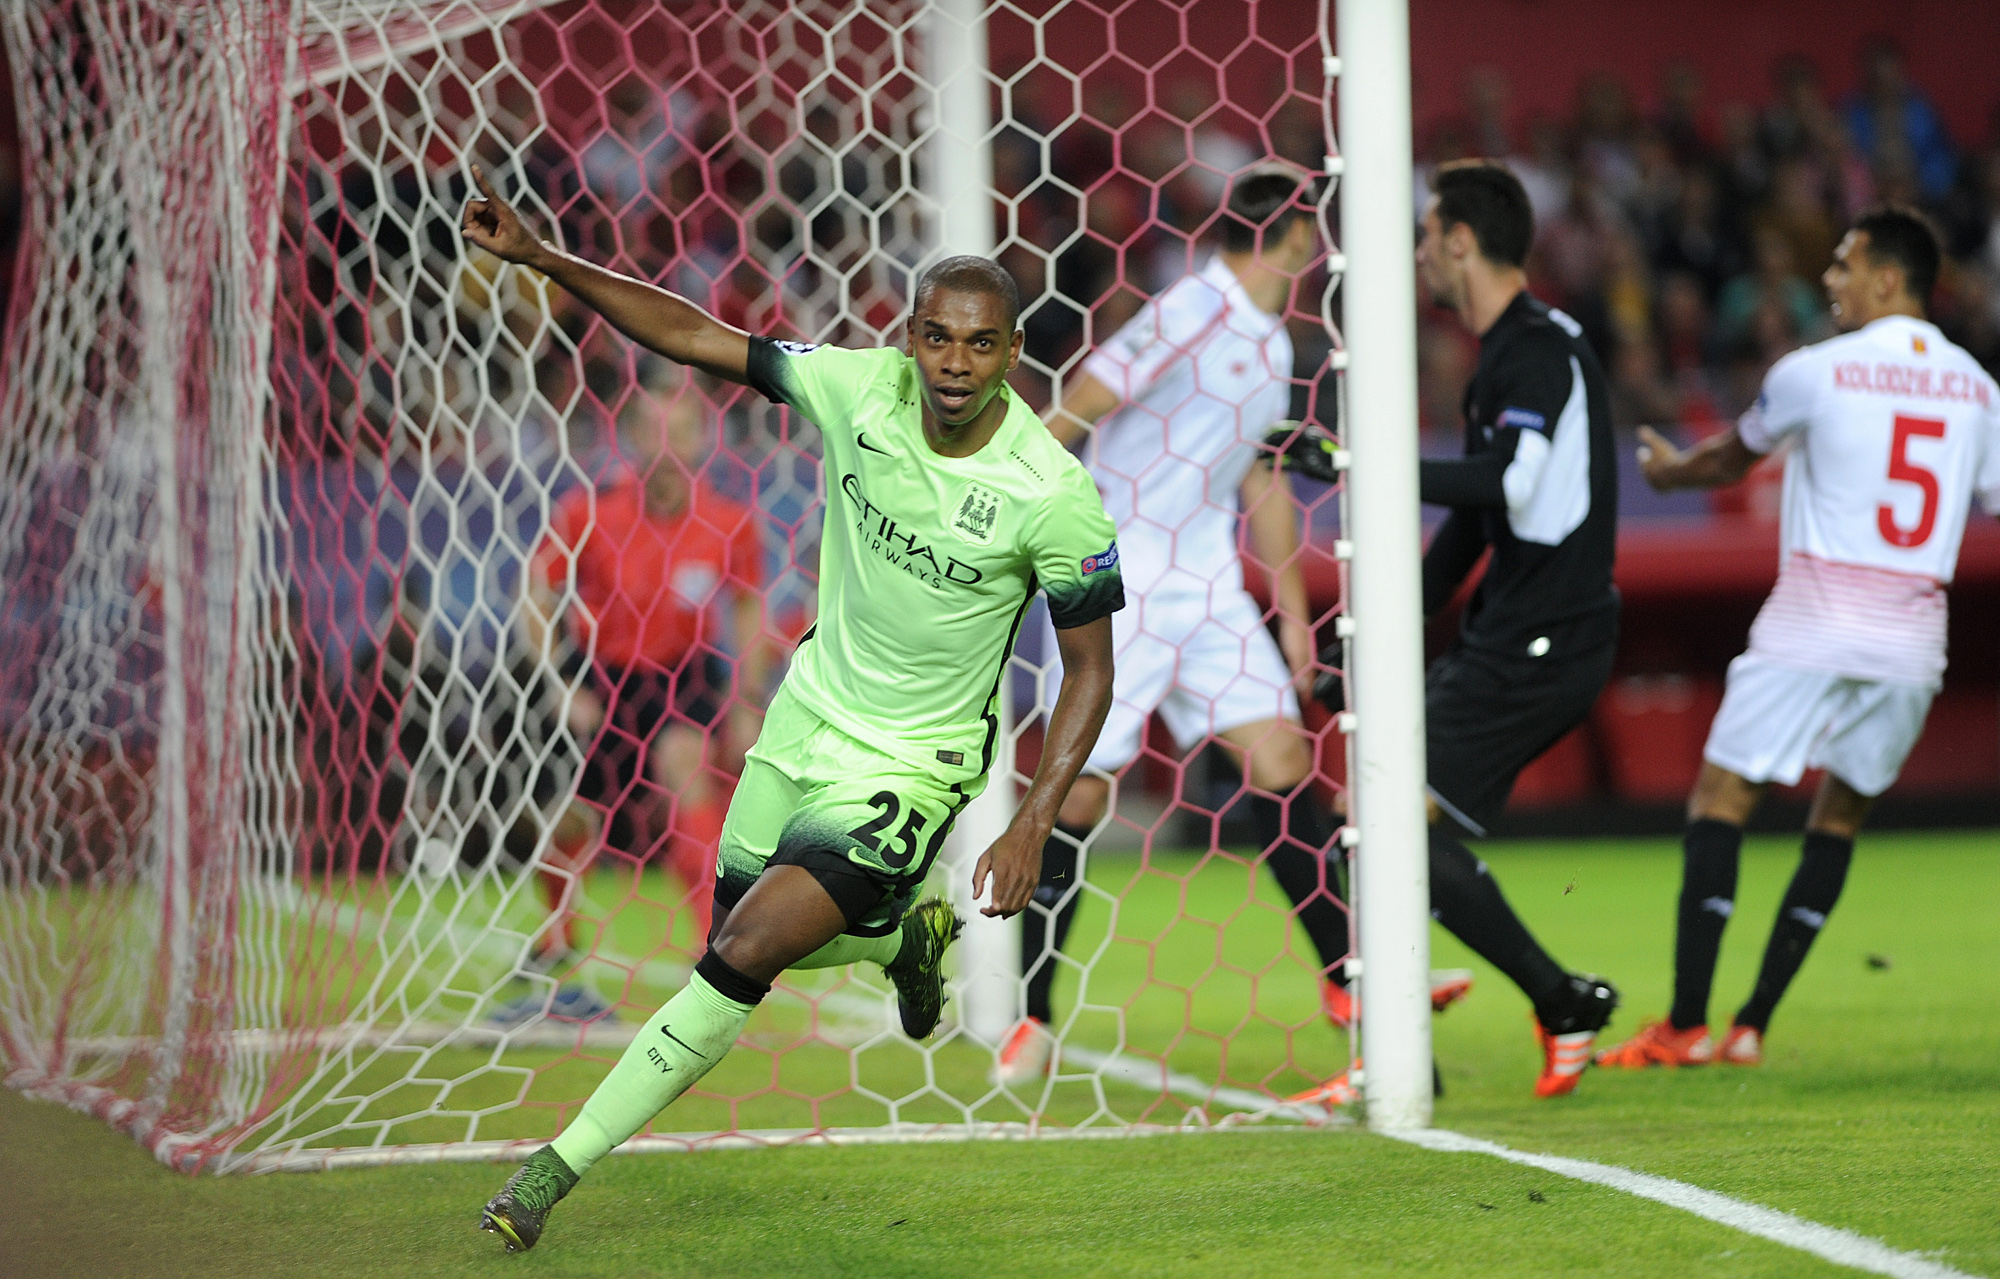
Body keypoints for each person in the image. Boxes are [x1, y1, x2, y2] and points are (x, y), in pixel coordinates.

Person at [459, 169, 1123, 1252]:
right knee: (738, 927)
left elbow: (1089, 668)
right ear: (910, 338)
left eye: (979, 344)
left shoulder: (1050, 492)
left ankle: (548, 1172)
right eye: (937, 338)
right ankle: (896, 939)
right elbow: (694, 336)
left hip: (914, 763)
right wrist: (542, 258)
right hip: (805, 718)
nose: (954, 363)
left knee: (743, 949)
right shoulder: (856, 388)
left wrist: (1033, 815)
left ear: (1012, 353)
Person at [997, 163, 1469, 1092]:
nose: (1320, 246)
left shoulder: (1276, 342)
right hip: (1121, 574)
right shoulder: (1188, 309)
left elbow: (1260, 476)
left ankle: (1350, 985)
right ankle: (1031, 1012)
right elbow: (1082, 403)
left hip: (1210, 581)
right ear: (1291, 236)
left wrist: (1290, 615)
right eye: (1313, 230)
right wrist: (1000, 508)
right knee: (1078, 796)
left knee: (1284, 759)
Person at [1598, 207, 2000, 1070]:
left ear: (1887, 278)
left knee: (1721, 798)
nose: (1830, 278)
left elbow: (1729, 460)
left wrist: (1668, 472)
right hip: (1912, 641)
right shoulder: (1977, 388)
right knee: (1841, 817)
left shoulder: (1816, 371)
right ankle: (1751, 1025)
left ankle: (1686, 1024)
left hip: (1813, 621)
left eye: (1845, 263)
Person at [1410, 160, 1622, 1098]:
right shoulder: (1512, 351)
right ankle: (1553, 1000)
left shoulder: (1532, 349)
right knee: (1377, 823)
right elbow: (1472, 525)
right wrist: (1386, 630)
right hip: (1523, 632)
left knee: (1385, 825)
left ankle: (1548, 1000)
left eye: (1426, 235)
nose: (1419, 254)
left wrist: (1367, 459)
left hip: (1545, 637)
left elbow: (1510, 482)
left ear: (1461, 240)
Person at [508, 382, 771, 1012]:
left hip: (684, 674)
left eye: (680, 433)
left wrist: (746, 700)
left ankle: (715, 944)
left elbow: (748, 610)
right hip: (604, 678)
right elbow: (536, 593)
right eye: (653, 433)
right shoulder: (587, 513)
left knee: (685, 768)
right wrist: (560, 683)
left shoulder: (729, 522)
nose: (667, 448)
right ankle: (556, 935)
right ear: (630, 440)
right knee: (570, 819)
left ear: (702, 440)